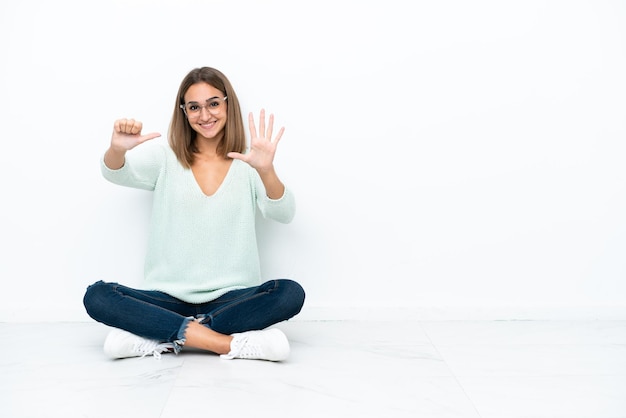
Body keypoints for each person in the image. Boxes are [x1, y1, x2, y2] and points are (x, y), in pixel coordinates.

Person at [83, 66, 305, 362]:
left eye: (214, 103)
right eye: (194, 107)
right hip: (167, 298)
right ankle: (225, 344)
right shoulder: (166, 159)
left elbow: (284, 212)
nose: (205, 115)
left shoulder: (249, 162)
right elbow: (116, 172)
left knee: (290, 293)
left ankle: (160, 335)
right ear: (184, 112)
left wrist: (266, 170)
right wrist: (117, 149)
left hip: (231, 299)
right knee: (97, 295)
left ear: (228, 104)